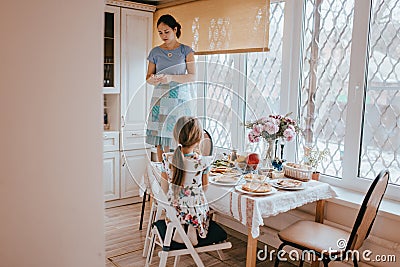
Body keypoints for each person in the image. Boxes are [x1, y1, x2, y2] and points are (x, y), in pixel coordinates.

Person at [146, 14, 196, 162]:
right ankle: (164, 172)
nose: (163, 35)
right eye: (160, 32)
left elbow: (192, 76)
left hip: (180, 97)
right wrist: (153, 79)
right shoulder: (155, 52)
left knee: (179, 135)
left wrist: (171, 77)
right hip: (160, 97)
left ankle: (179, 172)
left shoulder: (186, 51)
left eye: (166, 31)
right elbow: (148, 77)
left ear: (175, 29)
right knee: (161, 138)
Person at [161, 116, 212, 245]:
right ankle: (192, 228)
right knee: (200, 205)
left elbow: (164, 187)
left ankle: (180, 228)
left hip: (174, 209)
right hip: (195, 210)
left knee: (179, 202)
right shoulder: (203, 161)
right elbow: (205, 188)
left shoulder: (167, 158)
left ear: (176, 136)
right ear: (199, 139)